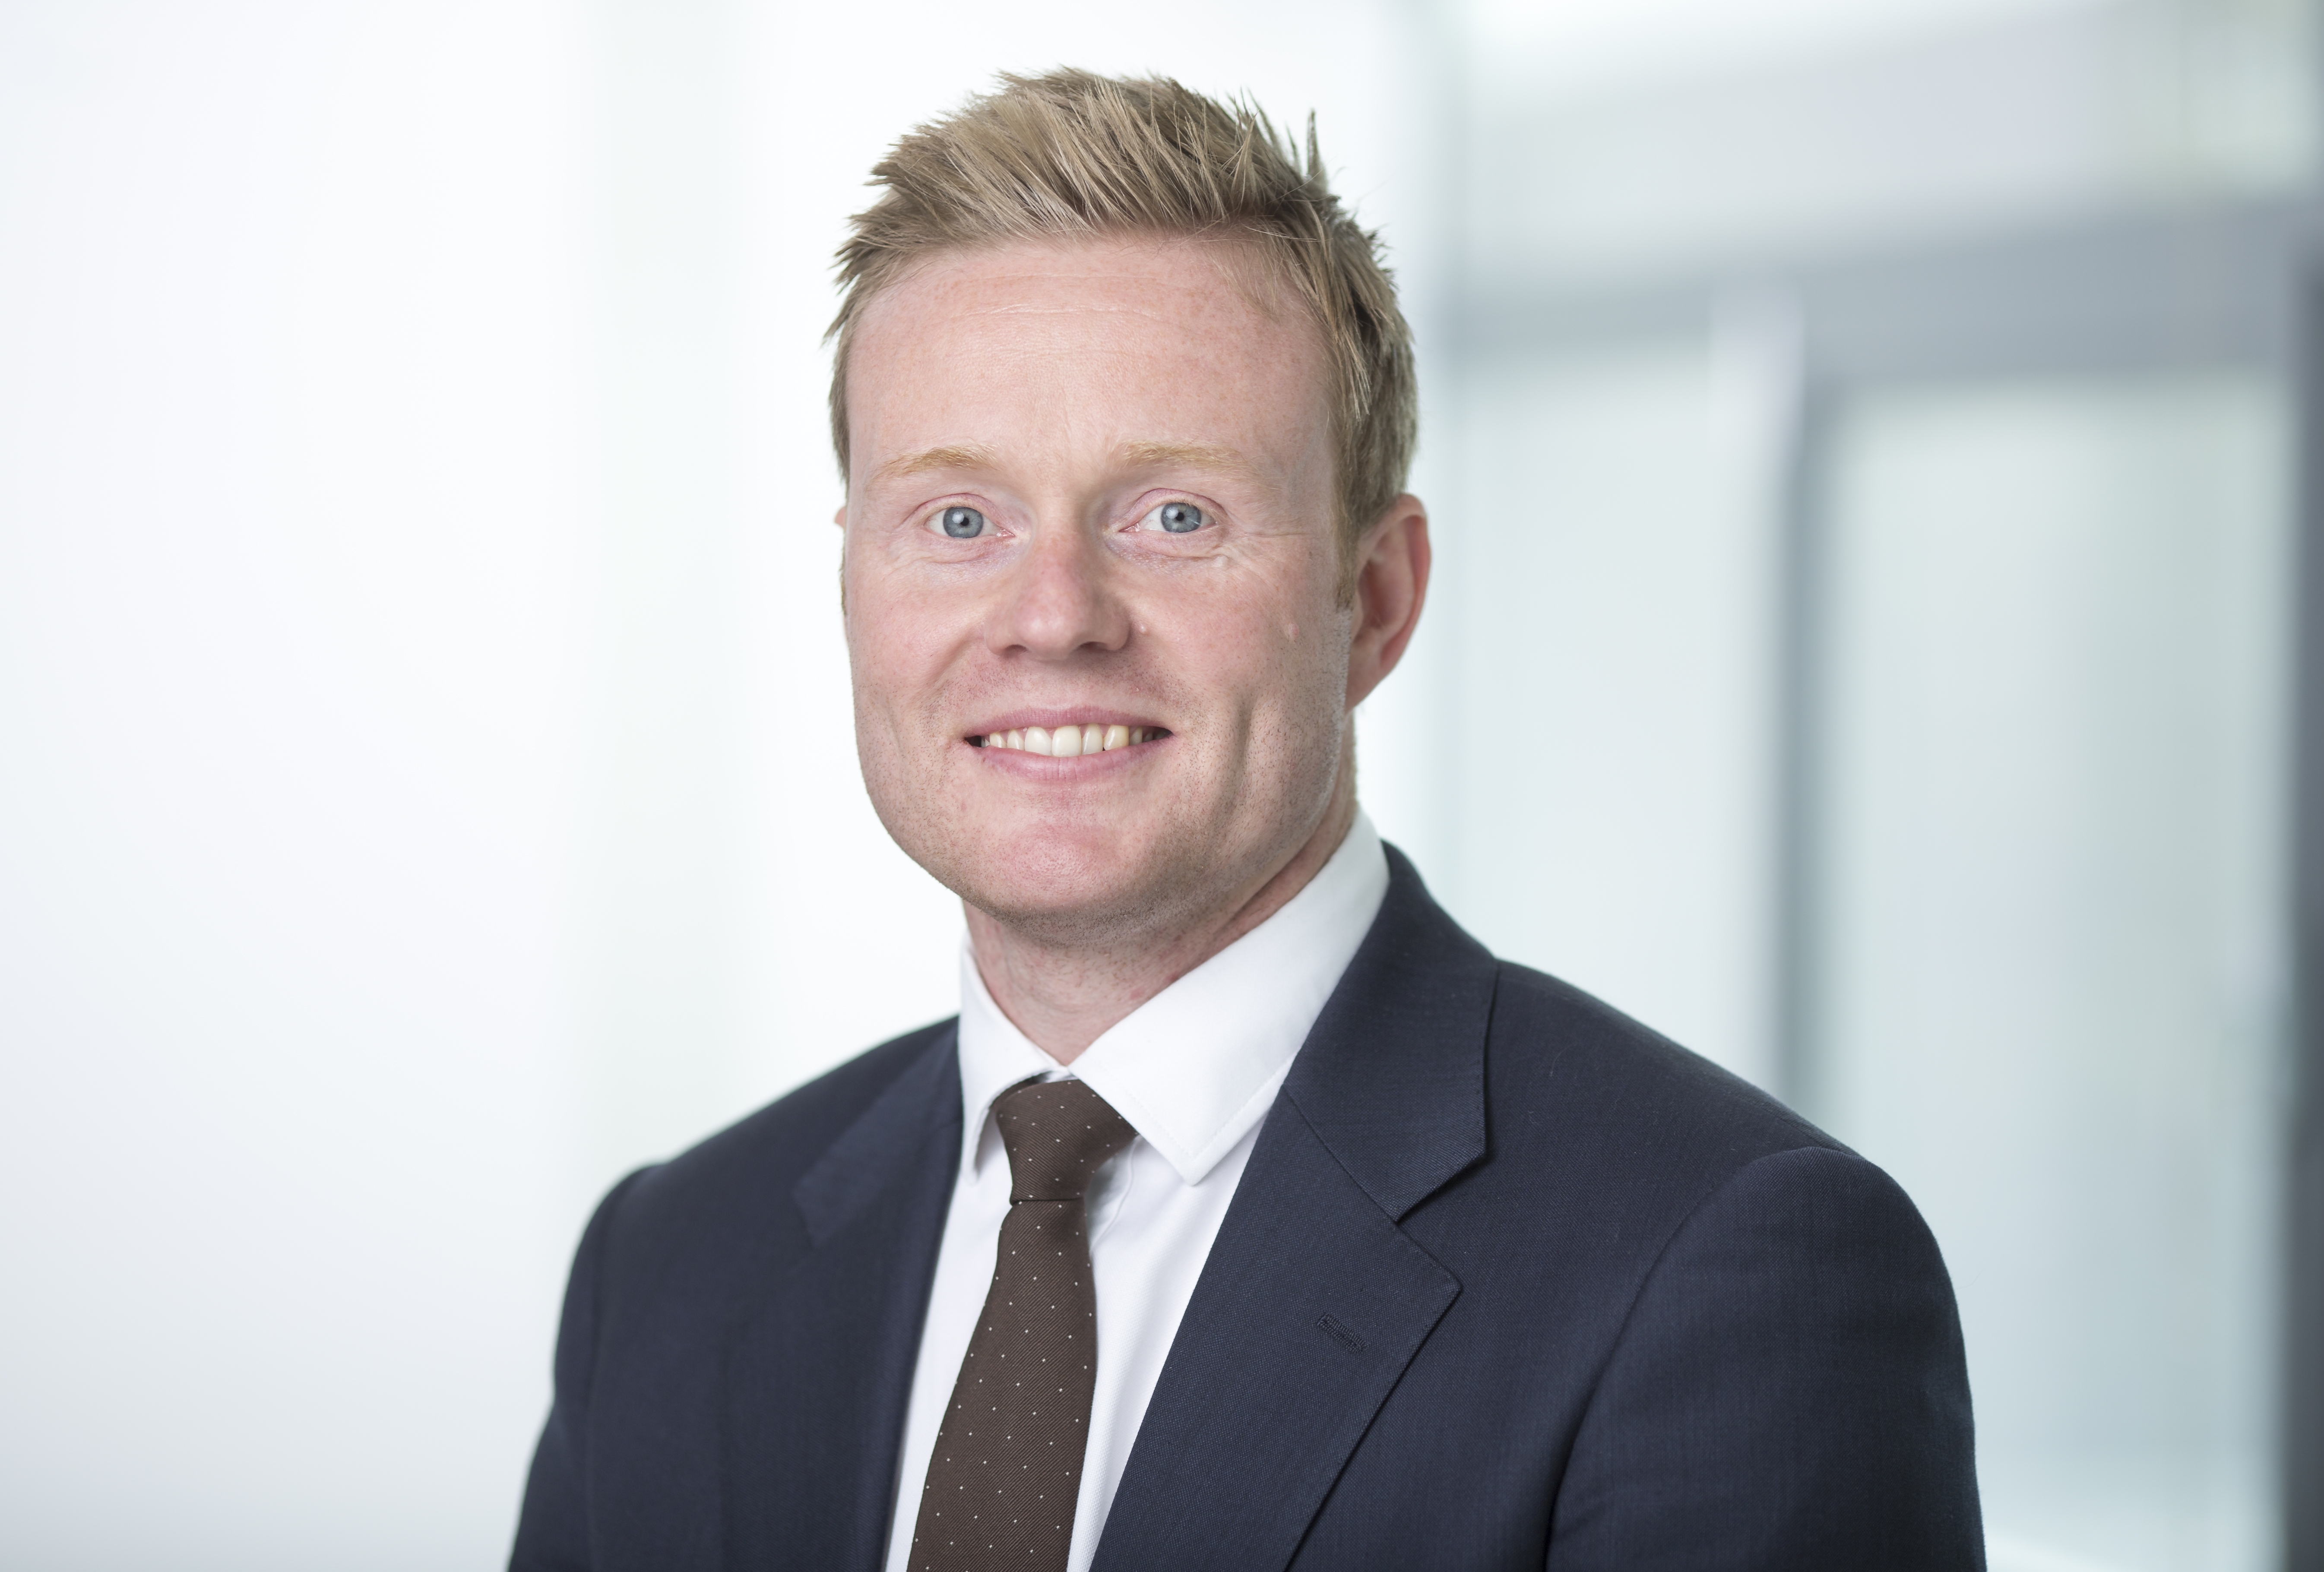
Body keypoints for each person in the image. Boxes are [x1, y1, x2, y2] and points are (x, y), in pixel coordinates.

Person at [510, 69, 1982, 1572]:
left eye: (1176, 517)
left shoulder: (1724, 1268)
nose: (1055, 617)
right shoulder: (672, 1269)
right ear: (850, 581)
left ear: (1376, 598)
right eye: (959, 520)